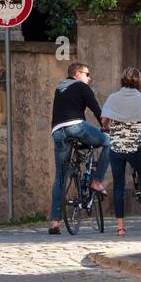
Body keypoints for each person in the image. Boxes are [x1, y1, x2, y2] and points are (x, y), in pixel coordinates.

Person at [48, 61, 110, 235]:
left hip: (58, 132)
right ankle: (96, 181)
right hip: (76, 127)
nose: (89, 78)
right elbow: (97, 109)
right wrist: (104, 127)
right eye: (87, 74)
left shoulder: (59, 89)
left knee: (60, 176)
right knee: (107, 142)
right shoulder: (81, 87)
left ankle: (55, 223)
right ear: (77, 74)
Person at [100, 67, 141, 236]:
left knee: (119, 185)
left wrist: (107, 127)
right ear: (139, 82)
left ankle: (120, 227)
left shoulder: (113, 98)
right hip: (135, 148)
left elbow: (104, 121)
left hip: (116, 148)